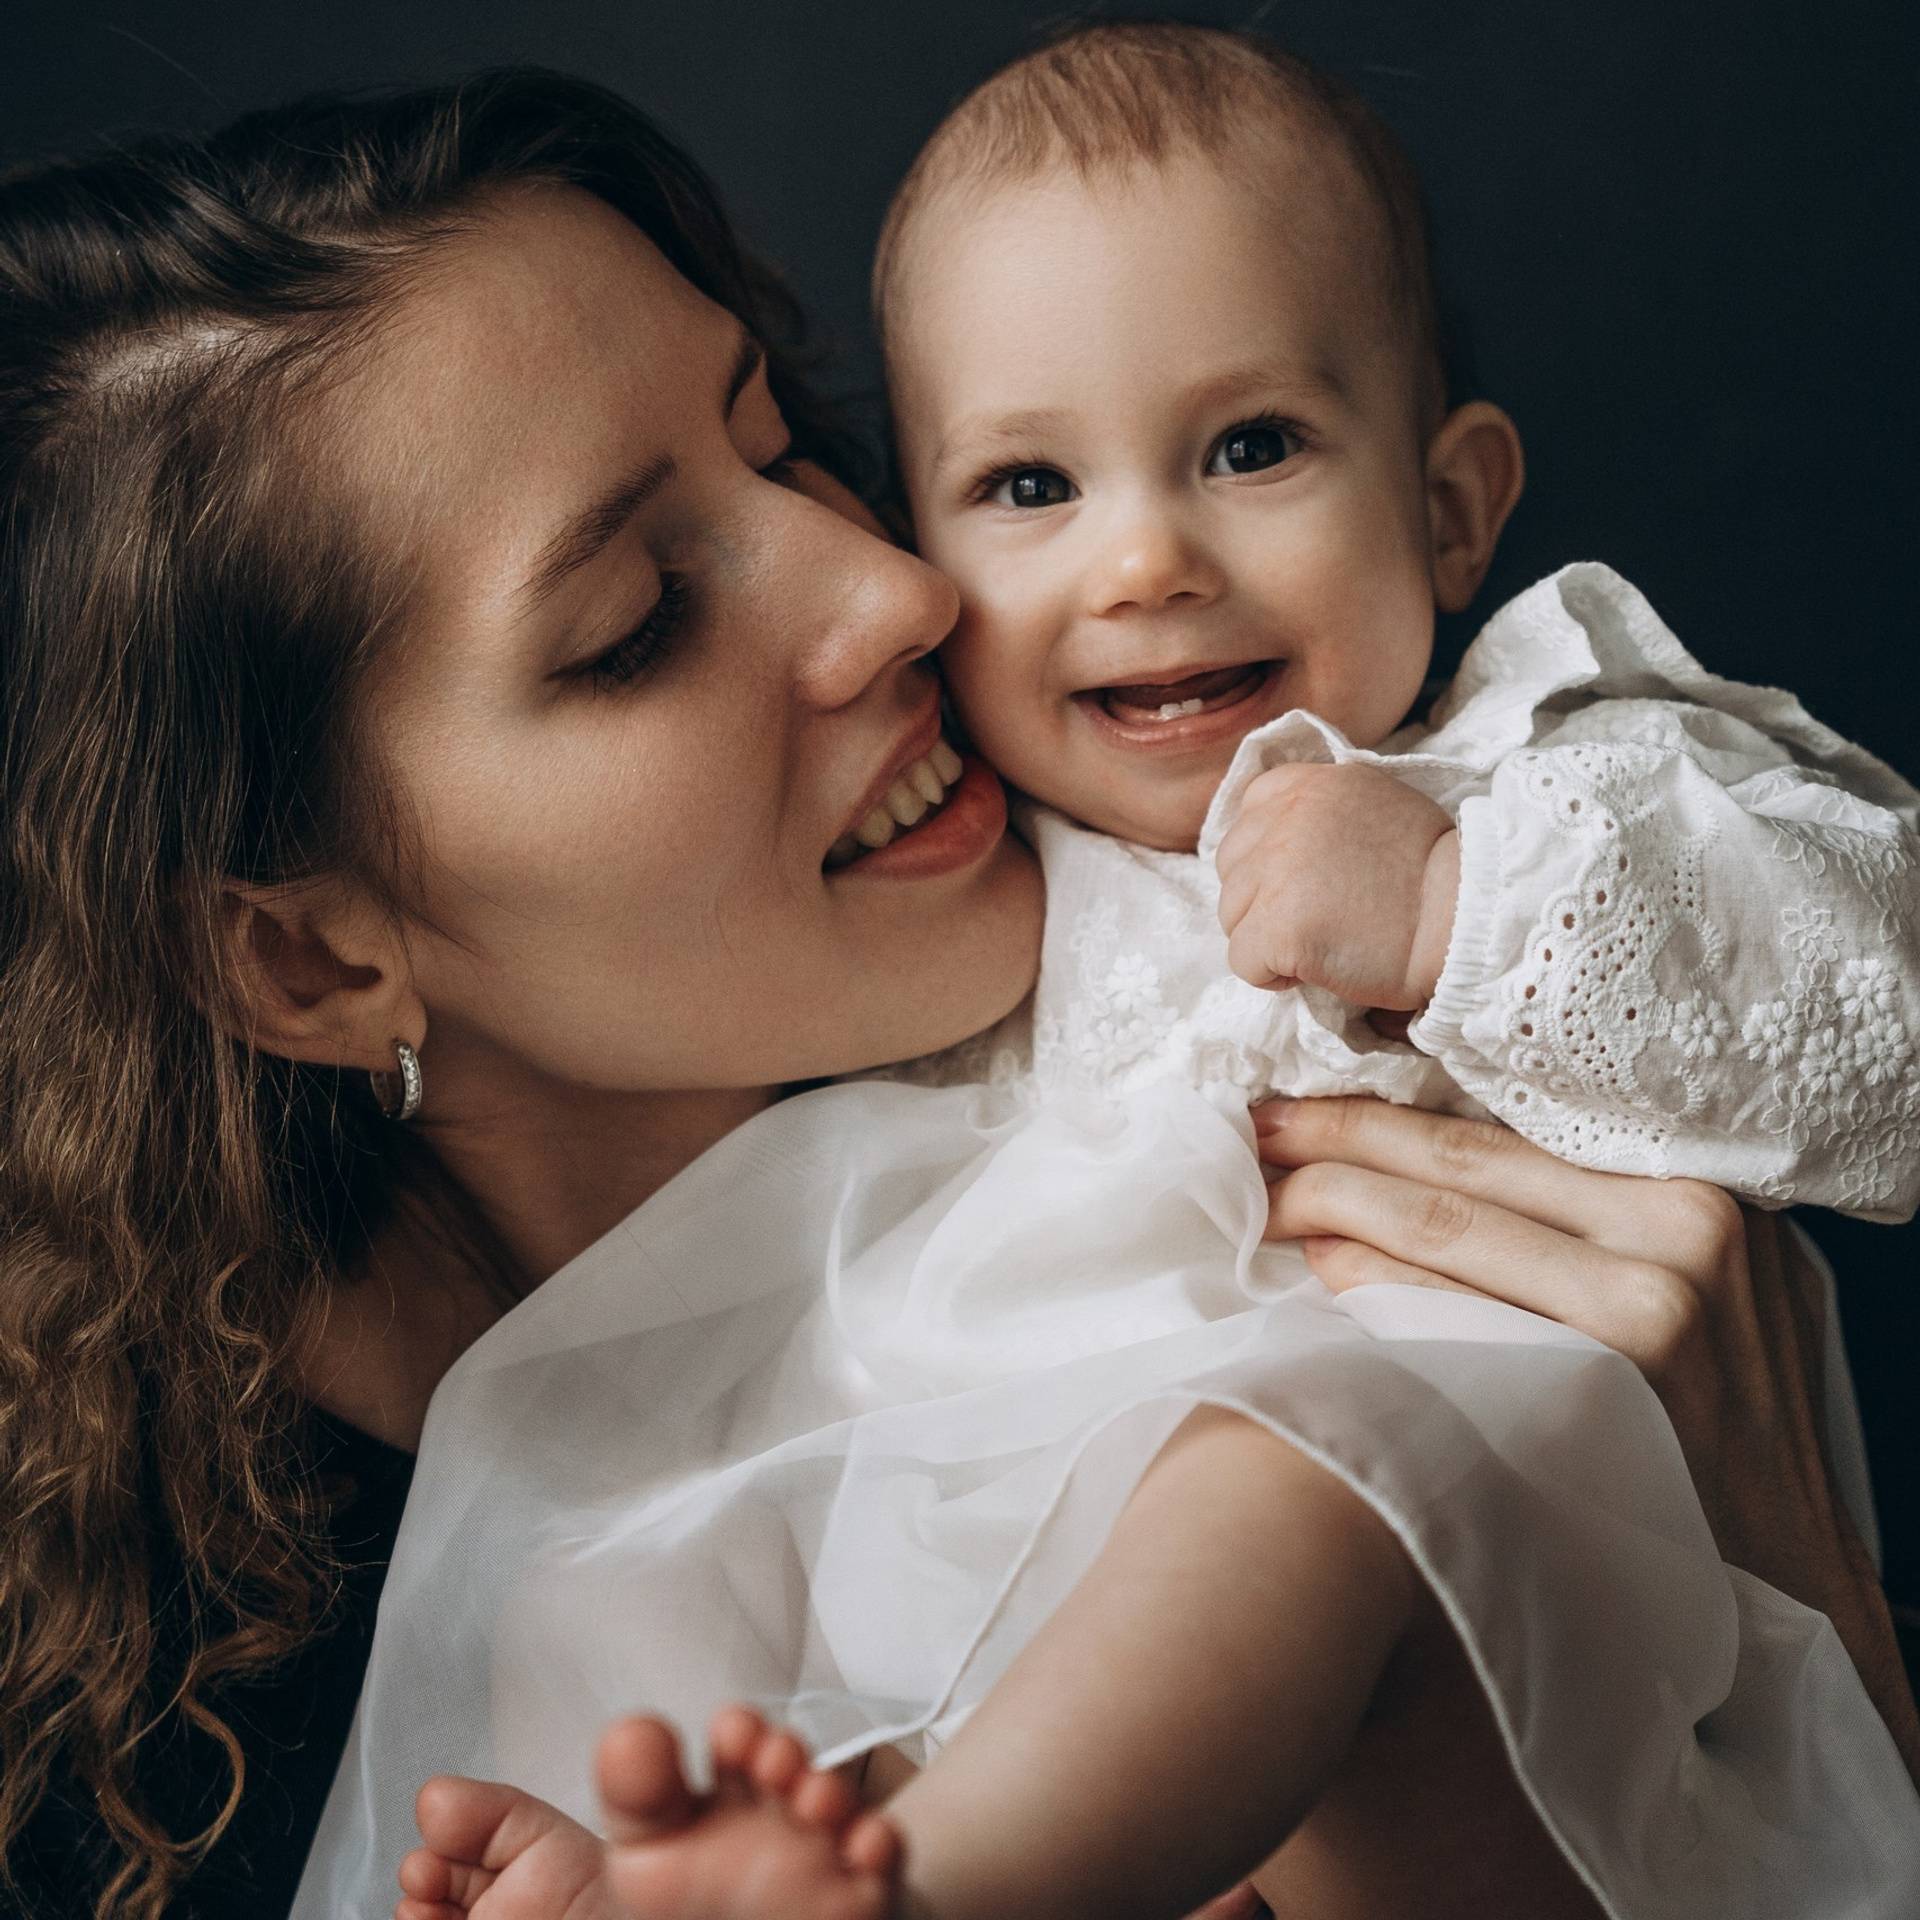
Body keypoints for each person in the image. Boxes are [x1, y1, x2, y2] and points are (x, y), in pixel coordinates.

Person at [0, 60, 1906, 1920]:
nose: (895, 593)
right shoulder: (204, 1740)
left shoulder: (1473, 780)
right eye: (636, 626)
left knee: (1297, 1471)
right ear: (319, 951)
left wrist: (1817, 1594)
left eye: (777, 446)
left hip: (1479, 1615)